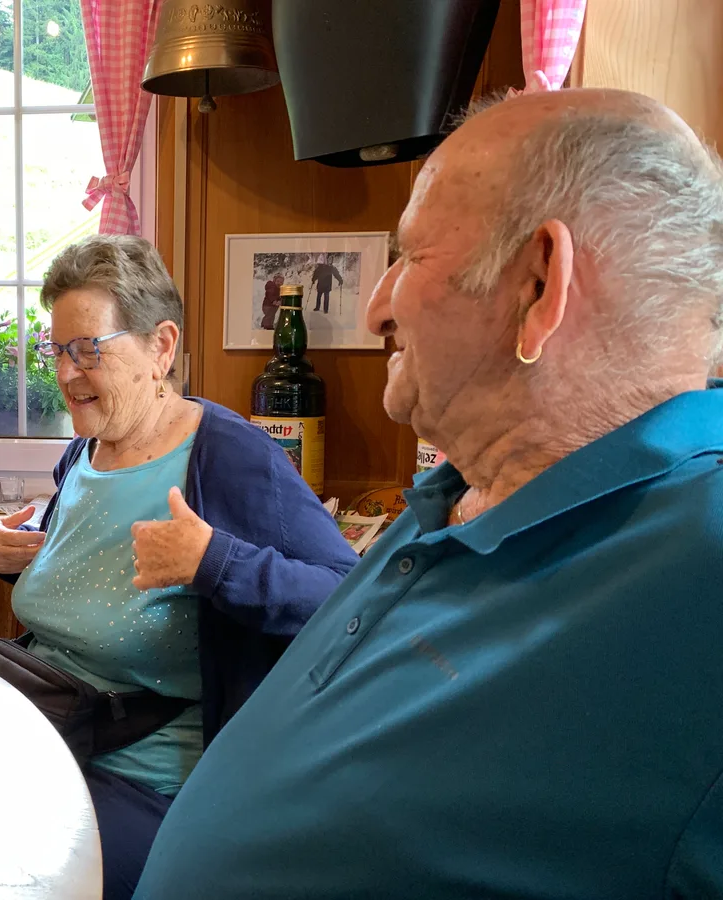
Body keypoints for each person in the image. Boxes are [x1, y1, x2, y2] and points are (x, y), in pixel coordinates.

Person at [134, 88, 723, 898]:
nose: (377, 304)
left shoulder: (702, 559)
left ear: (540, 285)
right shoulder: (456, 493)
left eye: (409, 255)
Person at [0, 234, 358, 900]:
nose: (68, 374)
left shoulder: (229, 457)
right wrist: (8, 559)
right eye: (58, 350)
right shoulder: (84, 454)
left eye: (89, 348)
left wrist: (215, 561)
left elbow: (352, 601)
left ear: (162, 347)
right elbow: (88, 585)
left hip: (148, 778)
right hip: (46, 741)